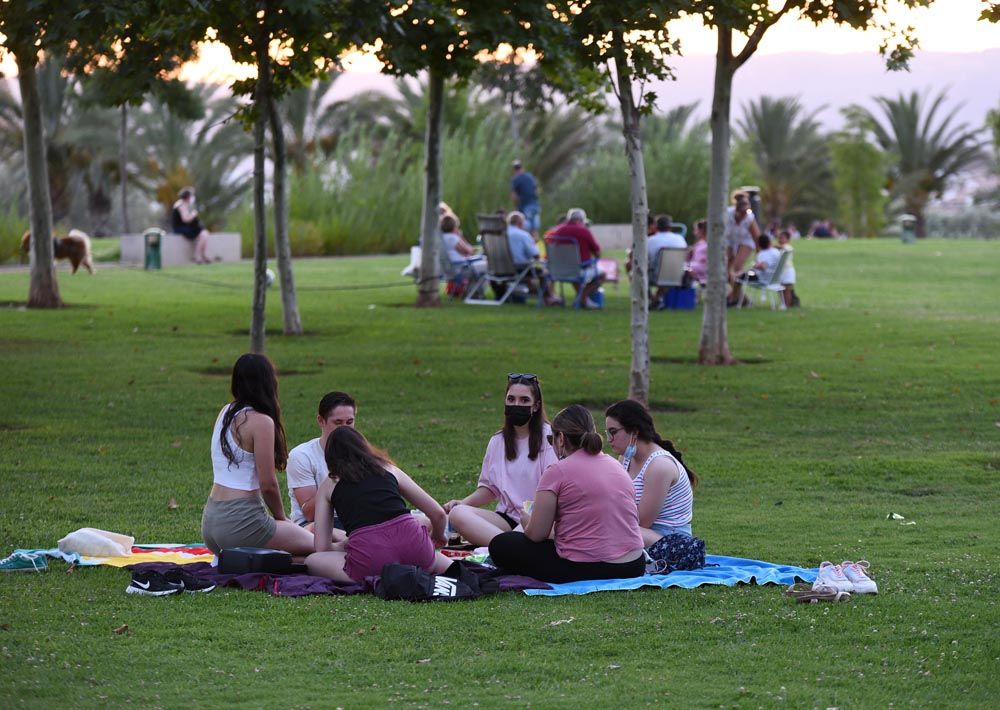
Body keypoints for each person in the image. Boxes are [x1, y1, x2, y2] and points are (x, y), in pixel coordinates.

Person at [488, 404, 646, 583]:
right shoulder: (616, 465)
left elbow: (537, 534)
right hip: (634, 564)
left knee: (501, 544)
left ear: (561, 439)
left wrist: (526, 521)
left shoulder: (557, 471)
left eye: (551, 439)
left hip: (592, 566)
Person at [305, 427, 453, 583]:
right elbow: (438, 513)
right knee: (427, 550)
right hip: (418, 552)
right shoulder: (389, 469)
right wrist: (437, 536)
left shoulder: (328, 485)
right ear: (364, 447)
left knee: (313, 560)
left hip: (372, 562)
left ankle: (380, 578)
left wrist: (344, 546)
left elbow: (322, 548)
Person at [201, 354, 314, 556]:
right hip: (241, 524)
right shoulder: (261, 421)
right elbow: (268, 484)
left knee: (294, 552)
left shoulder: (225, 412)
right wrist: (281, 518)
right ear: (269, 383)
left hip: (211, 524)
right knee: (321, 546)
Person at [444, 373, 557, 547]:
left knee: (522, 536)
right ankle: (508, 548)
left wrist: (529, 522)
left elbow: (554, 492)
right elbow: (490, 488)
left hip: (537, 519)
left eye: (524, 400)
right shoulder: (497, 441)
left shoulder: (549, 438)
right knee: (458, 514)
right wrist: (463, 503)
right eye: (511, 399)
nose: (516, 405)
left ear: (536, 406)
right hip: (505, 520)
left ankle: (504, 548)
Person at [604, 400, 698, 547]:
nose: (609, 439)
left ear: (635, 431)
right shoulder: (626, 458)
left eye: (613, 432)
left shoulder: (659, 466)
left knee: (608, 529)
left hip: (673, 543)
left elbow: (642, 522)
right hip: (641, 534)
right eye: (607, 432)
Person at [286, 391, 357, 537]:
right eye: (338, 423)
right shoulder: (302, 456)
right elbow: (310, 514)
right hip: (313, 525)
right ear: (321, 420)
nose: (344, 429)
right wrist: (339, 474)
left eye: (349, 422)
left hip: (352, 519)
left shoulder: (360, 453)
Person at [547, 207, 605, 309]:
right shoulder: (584, 231)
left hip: (557, 271)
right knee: (602, 274)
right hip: (578, 270)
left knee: (575, 272)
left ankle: (583, 300)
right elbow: (597, 252)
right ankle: (582, 299)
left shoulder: (557, 231)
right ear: (580, 220)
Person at [506, 212, 561, 306]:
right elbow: (536, 255)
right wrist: (533, 243)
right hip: (518, 268)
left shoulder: (501, 233)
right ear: (520, 223)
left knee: (531, 277)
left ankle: (537, 294)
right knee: (544, 273)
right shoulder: (523, 235)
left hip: (499, 268)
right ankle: (548, 298)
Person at [724, 194, 761, 303]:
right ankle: (741, 298)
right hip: (731, 240)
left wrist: (760, 255)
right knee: (725, 270)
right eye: (743, 212)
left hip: (746, 241)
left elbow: (756, 237)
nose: (745, 214)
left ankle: (733, 298)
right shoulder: (728, 214)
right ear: (737, 210)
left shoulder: (749, 218)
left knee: (737, 267)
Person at [730, 234, 782, 307]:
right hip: (773, 277)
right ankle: (736, 296)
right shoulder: (776, 251)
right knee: (745, 273)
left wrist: (755, 265)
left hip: (762, 278)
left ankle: (733, 300)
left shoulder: (763, 254)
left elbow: (763, 266)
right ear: (769, 242)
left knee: (737, 278)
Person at [171, 187, 211, 264]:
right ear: (188, 197)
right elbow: (185, 219)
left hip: (187, 227)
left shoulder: (185, 204)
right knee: (203, 234)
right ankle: (198, 256)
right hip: (180, 228)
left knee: (204, 234)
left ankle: (202, 255)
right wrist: (193, 214)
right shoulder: (181, 205)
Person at [510, 160, 540, 238]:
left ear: (514, 169)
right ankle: (535, 248)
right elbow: (536, 191)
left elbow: (514, 196)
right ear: (522, 167)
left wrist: (515, 207)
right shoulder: (530, 177)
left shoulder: (516, 179)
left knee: (526, 229)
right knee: (534, 229)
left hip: (525, 207)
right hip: (535, 205)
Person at [776, 229, 800, 308]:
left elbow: (783, 247)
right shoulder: (779, 248)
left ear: (788, 240)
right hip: (781, 271)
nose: (780, 240)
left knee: (787, 289)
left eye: (782, 238)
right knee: (780, 288)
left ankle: (787, 304)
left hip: (788, 271)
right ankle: (783, 303)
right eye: (779, 238)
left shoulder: (788, 247)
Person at [686, 219, 709, 285]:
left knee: (684, 268)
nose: (694, 233)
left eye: (695, 230)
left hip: (700, 268)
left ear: (701, 230)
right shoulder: (699, 244)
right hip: (697, 267)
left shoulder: (705, 244)